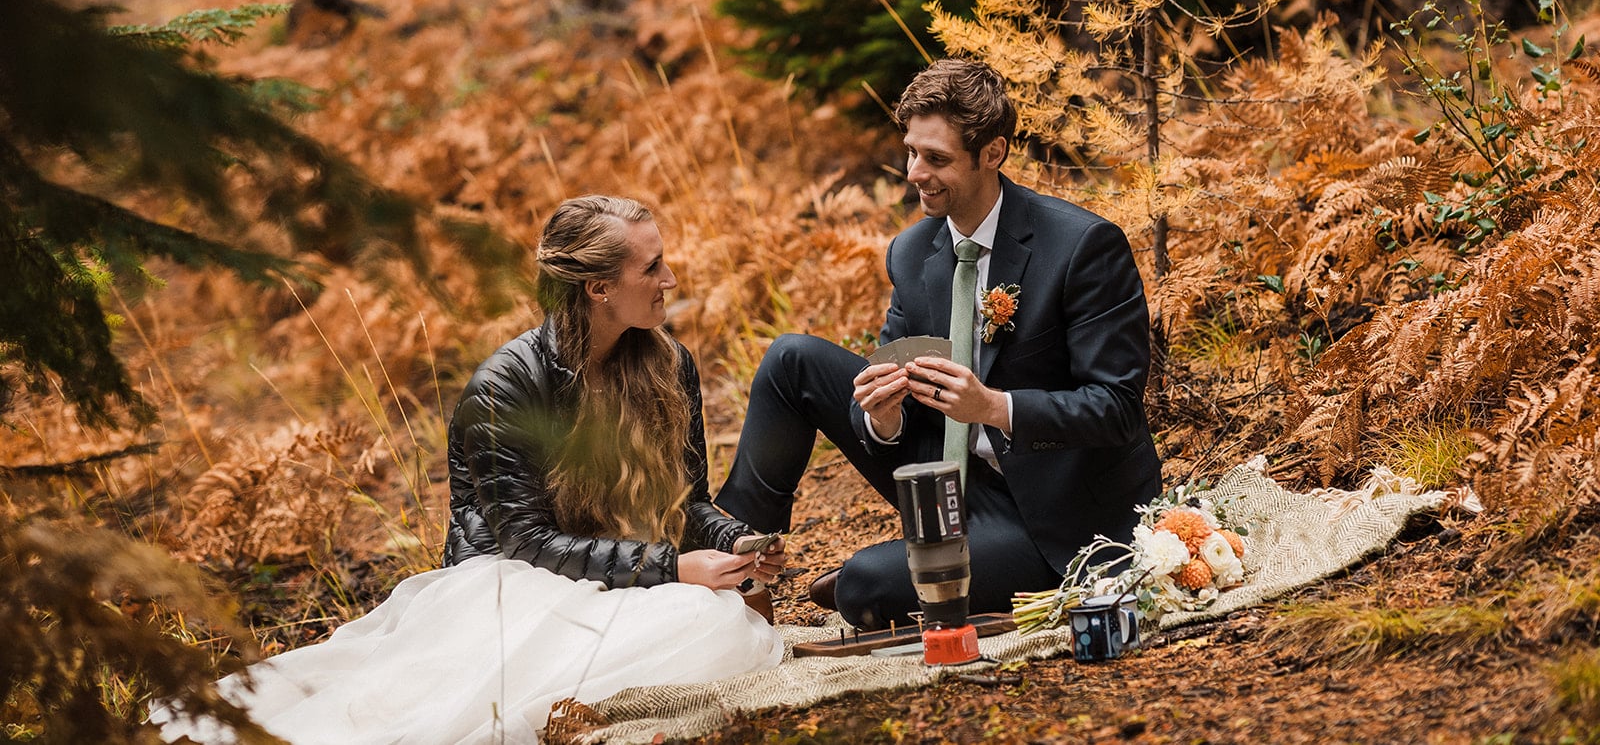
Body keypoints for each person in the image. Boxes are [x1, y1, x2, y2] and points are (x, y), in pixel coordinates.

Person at [153, 195, 785, 745]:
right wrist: (672, 569)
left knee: (726, 616)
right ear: (598, 288)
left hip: (612, 567)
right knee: (706, 626)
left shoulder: (668, 364)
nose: (669, 278)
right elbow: (527, 544)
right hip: (512, 583)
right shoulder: (504, 389)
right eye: (651, 267)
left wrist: (736, 545)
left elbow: (689, 499)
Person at [715, 59, 1162, 629]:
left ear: (993, 153)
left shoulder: (1082, 246)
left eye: (937, 159)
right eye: (911, 152)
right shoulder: (912, 250)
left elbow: (1117, 409)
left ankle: (891, 577)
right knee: (789, 359)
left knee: (865, 586)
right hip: (943, 477)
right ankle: (741, 571)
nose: (914, 172)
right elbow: (879, 400)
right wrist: (882, 418)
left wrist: (994, 407)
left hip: (1054, 515)